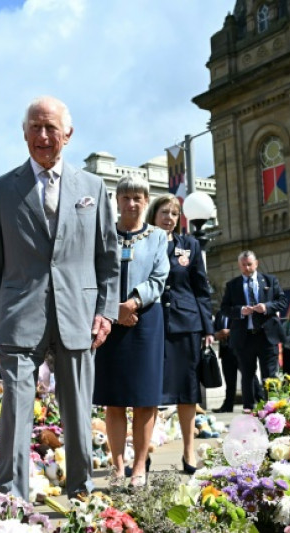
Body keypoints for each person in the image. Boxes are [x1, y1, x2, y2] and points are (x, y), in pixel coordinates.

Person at [0, 96, 119, 501]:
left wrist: (106, 312)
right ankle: (11, 500)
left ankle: (81, 494)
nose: (43, 136)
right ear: (24, 134)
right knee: (16, 411)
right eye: (35, 128)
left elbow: (107, 257)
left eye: (51, 128)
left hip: (78, 313)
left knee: (78, 411)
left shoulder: (92, 188)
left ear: (68, 134)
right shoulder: (3, 189)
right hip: (19, 315)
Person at [93, 176, 168, 489]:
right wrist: (114, 309)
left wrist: (133, 302)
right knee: (113, 400)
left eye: (138, 197)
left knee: (144, 400)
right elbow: (95, 274)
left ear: (146, 200)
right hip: (109, 322)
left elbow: (160, 276)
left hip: (145, 321)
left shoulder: (159, 236)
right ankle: (117, 465)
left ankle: (139, 466)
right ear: (117, 200)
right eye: (126, 198)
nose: (132, 203)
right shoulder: (104, 234)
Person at [147, 193, 213, 475]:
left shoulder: (190, 245)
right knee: (148, 392)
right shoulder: (142, 242)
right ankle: (144, 451)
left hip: (186, 323)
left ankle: (188, 451)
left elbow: (201, 287)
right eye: (164, 212)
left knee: (187, 392)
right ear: (153, 215)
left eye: (174, 214)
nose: (170, 218)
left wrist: (208, 327)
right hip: (152, 323)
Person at [220, 250, 287, 413]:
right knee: (247, 375)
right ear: (239, 266)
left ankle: (272, 409)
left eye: (249, 264)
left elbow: (282, 301)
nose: (247, 268)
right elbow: (224, 309)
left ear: (256, 264)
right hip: (244, 337)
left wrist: (267, 307)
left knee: (269, 375)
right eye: (243, 265)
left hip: (267, 336)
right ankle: (248, 409)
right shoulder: (232, 285)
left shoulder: (270, 281)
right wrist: (240, 310)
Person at [213, 309, 238, 413]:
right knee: (229, 381)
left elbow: (244, 328)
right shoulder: (220, 313)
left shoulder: (239, 311)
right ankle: (228, 405)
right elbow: (213, 329)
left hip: (239, 350)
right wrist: (216, 334)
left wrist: (229, 332)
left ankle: (259, 401)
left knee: (250, 378)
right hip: (225, 351)